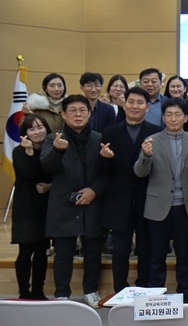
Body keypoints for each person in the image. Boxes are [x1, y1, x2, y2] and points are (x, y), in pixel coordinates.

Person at [134, 97, 188, 304]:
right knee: (157, 256)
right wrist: (146, 156)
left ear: (185, 118)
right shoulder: (152, 140)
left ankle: (185, 294)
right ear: (163, 118)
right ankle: (155, 296)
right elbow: (140, 172)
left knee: (184, 255)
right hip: (158, 207)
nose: (173, 119)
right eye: (169, 115)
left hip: (185, 207)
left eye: (178, 114)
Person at [40, 95, 106, 308]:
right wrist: (58, 151)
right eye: (73, 111)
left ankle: (91, 291)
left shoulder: (99, 138)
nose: (78, 114)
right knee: (63, 253)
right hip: (63, 205)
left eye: (82, 110)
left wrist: (94, 190)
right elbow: (47, 168)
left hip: (92, 203)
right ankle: (61, 294)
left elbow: (108, 173)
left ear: (89, 113)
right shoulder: (53, 139)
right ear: (63, 114)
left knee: (93, 252)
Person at [100, 87, 162, 293]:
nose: (135, 106)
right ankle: (120, 291)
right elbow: (103, 171)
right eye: (131, 102)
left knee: (145, 249)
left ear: (148, 107)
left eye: (140, 102)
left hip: (147, 200)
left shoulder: (156, 132)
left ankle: (143, 289)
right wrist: (106, 159)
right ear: (124, 104)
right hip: (119, 201)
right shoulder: (110, 132)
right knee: (120, 250)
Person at [12, 114, 52, 300]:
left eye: (40, 127)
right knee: (25, 252)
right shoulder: (19, 151)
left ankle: (38, 291)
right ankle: (24, 293)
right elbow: (30, 173)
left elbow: (52, 174)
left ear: (46, 128)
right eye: (32, 128)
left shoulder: (51, 149)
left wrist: (50, 186)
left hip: (46, 206)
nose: (37, 132)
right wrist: (29, 153)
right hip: (26, 206)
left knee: (42, 252)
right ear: (25, 133)